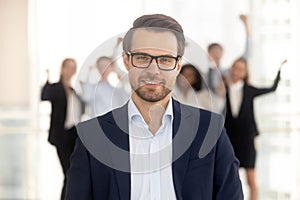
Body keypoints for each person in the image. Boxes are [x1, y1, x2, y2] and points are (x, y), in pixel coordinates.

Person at [66, 14, 243, 199]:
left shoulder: (210, 130)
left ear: (178, 64)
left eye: (165, 60)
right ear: (126, 61)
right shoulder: (93, 135)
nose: (153, 70)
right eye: (142, 58)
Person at [224, 57, 282, 200]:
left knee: (251, 181)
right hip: (229, 140)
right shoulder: (222, 89)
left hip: (247, 140)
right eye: (235, 67)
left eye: (241, 69)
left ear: (245, 73)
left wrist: (280, 69)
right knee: (231, 181)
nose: (237, 71)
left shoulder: (249, 90)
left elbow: (272, 88)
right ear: (231, 69)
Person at [41, 58, 84, 200]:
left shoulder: (74, 90)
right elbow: (44, 95)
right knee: (69, 171)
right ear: (63, 69)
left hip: (74, 135)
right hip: (62, 136)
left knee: (75, 171)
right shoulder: (56, 88)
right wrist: (47, 78)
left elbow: (81, 110)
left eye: (74, 67)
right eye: (69, 67)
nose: (71, 70)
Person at [207, 14, 250, 96]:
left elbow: (247, 52)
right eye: (213, 52)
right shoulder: (205, 73)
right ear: (208, 54)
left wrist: (246, 24)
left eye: (218, 51)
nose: (216, 55)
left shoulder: (227, 72)